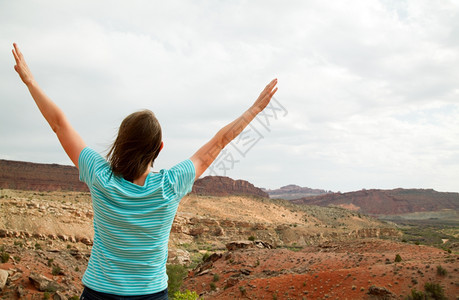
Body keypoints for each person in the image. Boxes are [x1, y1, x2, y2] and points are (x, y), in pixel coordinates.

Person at [12, 43, 278, 299]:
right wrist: (255, 109)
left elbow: (59, 124)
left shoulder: (100, 176)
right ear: (160, 147)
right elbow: (220, 142)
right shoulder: (171, 184)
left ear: (121, 143)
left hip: (99, 293)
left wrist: (30, 82)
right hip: (150, 294)